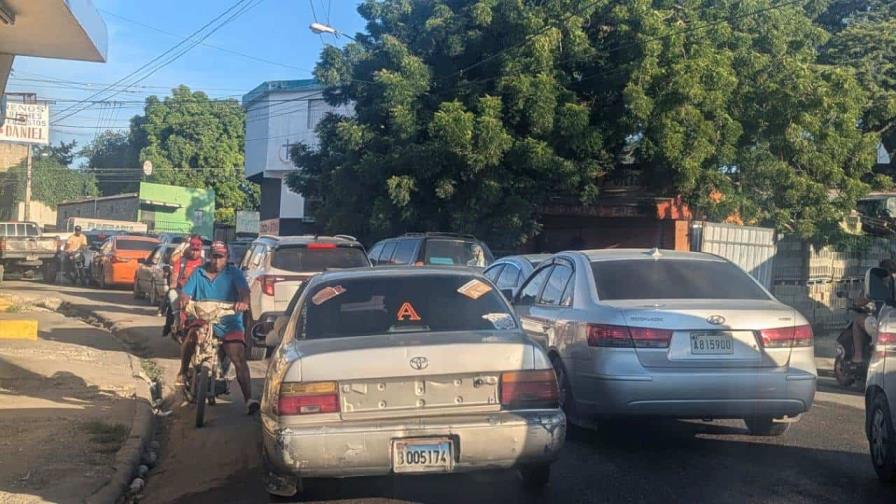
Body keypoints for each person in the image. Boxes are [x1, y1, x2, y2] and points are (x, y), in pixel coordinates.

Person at [178, 241, 258, 414]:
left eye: (220, 257)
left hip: (229, 322)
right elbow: (185, 292)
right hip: (204, 320)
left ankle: (248, 399)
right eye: (214, 257)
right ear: (209, 256)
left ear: (227, 258)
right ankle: (183, 372)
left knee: (237, 356)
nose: (217, 261)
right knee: (192, 335)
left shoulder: (234, 274)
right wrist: (184, 300)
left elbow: (245, 292)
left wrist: (243, 303)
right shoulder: (198, 273)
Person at [851, 259, 896, 363]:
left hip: (883, 323)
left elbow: (864, 299)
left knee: (857, 321)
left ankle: (858, 357)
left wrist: (855, 303)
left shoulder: (883, 282)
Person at [161, 235, 205, 336]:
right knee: (172, 294)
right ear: (189, 248)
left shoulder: (204, 263)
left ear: (200, 250)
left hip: (198, 293)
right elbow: (175, 276)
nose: (195, 252)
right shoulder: (181, 261)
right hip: (182, 291)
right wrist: (174, 284)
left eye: (197, 250)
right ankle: (177, 320)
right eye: (193, 250)